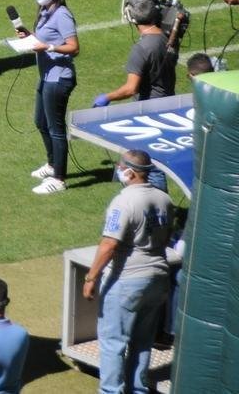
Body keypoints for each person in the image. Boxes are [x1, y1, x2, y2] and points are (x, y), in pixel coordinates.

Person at [82, 150, 173, 394]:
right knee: (142, 342)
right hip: (159, 277)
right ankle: (138, 389)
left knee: (113, 342)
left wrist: (91, 277)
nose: (118, 170)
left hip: (127, 279)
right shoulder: (164, 199)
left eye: (120, 166)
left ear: (130, 171)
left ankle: (111, 391)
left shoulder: (124, 201)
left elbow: (109, 244)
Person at [93, 0, 176, 193]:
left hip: (148, 110)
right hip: (167, 103)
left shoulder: (141, 48)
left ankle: (156, 212)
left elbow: (131, 88)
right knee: (134, 159)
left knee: (148, 165)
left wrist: (107, 97)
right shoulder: (167, 37)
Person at [17, 0, 79, 195]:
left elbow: (74, 47)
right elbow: (45, 38)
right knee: (40, 122)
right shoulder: (45, 11)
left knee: (56, 129)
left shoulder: (62, 14)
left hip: (59, 79)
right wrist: (30, 35)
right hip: (46, 76)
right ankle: (52, 164)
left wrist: (48, 47)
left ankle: (59, 179)